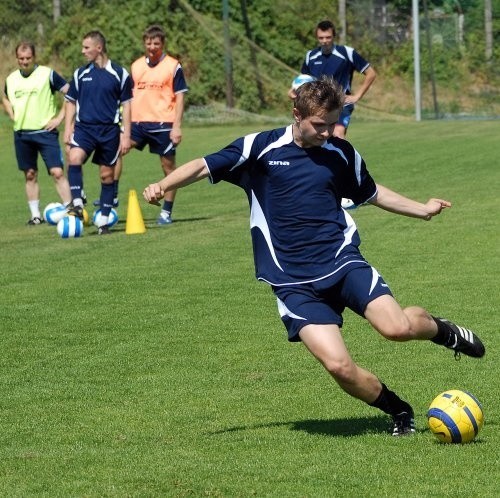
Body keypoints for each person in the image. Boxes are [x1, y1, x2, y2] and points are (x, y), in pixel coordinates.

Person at [144, 77, 485, 436]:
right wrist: (163, 186)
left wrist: (422, 209)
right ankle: (399, 411)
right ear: (297, 115)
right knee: (339, 367)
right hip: (292, 282)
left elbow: (370, 192)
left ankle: (441, 330)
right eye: (319, 125)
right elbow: (201, 165)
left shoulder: (340, 152)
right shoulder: (260, 148)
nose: (327, 132)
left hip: (341, 261)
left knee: (396, 328)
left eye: (333, 123)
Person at [64, 30, 132, 235]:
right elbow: (70, 101)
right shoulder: (80, 74)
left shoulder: (120, 74)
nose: (83, 51)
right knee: (74, 157)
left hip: (109, 131)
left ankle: (103, 221)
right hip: (84, 128)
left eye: (86, 47)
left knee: (107, 175)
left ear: (98, 48)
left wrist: (126, 134)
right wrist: (68, 127)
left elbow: (128, 106)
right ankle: (77, 203)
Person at [2, 41, 72, 225]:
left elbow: (71, 93)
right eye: (21, 59)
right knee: (30, 174)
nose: (25, 62)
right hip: (22, 135)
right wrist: (11, 113)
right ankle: (35, 216)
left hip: (46, 133)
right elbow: (5, 98)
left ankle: (72, 211)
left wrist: (59, 118)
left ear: (34, 57)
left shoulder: (47, 74)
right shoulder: (11, 79)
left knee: (57, 172)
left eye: (28, 58)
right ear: (17, 59)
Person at [130, 24, 188, 225]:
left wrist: (177, 126)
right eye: (148, 42)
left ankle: (166, 212)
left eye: (156, 43)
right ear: (144, 43)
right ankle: (109, 200)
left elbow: (180, 97)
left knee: (168, 168)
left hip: (164, 123)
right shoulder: (136, 66)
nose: (152, 46)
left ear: (162, 44)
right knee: (115, 151)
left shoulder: (173, 66)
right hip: (137, 122)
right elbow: (128, 96)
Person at [296, 19, 376, 140]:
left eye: (328, 37)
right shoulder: (310, 56)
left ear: (334, 36)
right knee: (311, 138)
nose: (324, 41)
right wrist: (294, 92)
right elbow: (303, 81)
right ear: (317, 38)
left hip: (340, 103)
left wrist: (357, 96)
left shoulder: (347, 53)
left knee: (337, 134)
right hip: (316, 105)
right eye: (321, 38)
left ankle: (342, 158)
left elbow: (371, 73)